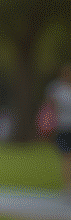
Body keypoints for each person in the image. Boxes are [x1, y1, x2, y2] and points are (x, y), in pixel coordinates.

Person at [43, 63, 71, 198]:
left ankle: (67, 187)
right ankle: (67, 187)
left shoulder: (58, 90)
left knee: (66, 158)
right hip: (64, 127)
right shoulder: (57, 89)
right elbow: (50, 107)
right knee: (66, 157)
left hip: (64, 126)